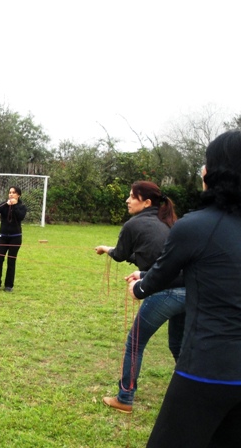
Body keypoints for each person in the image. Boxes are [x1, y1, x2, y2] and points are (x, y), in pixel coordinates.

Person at [129, 130, 241, 447]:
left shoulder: (196, 225)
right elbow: (198, 273)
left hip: (207, 370)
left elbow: (163, 275)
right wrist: (143, 274)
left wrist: (140, 288)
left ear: (212, 173)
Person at [95, 181, 185, 413]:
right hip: (189, 291)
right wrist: (143, 273)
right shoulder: (171, 222)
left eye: (132, 197)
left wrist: (106, 249)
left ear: (146, 202)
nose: (127, 200)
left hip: (165, 291)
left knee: (135, 343)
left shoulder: (133, 224)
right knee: (179, 344)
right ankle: (193, 392)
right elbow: (163, 261)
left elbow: (120, 254)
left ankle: (124, 398)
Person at [0, 186, 27, 292]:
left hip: (15, 237)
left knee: (11, 260)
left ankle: (9, 285)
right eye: (10, 192)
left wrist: (14, 206)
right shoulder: (4, 204)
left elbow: (20, 217)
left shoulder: (22, 206)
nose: (11, 194)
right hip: (3, 236)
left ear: (18, 195)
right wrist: (7, 204)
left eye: (13, 192)